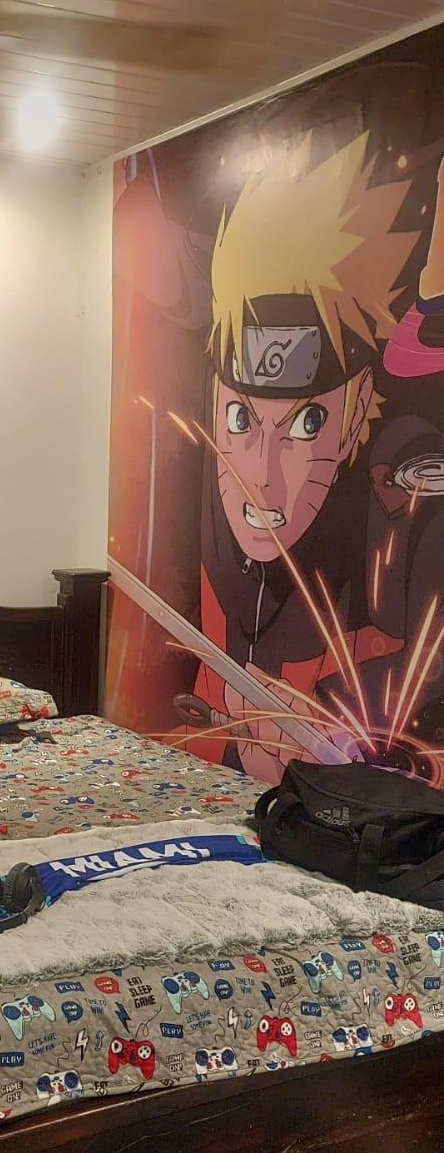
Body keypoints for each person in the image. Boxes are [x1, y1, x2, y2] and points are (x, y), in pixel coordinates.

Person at [187, 132, 444, 785]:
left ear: (355, 412)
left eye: (305, 424)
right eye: (240, 419)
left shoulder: (402, 490)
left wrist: (334, 719)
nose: (261, 474)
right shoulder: (216, 519)